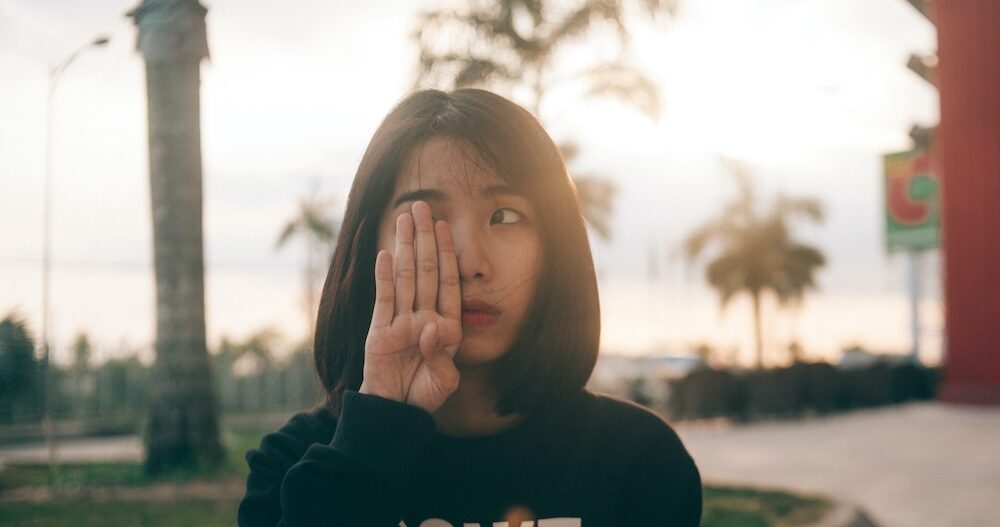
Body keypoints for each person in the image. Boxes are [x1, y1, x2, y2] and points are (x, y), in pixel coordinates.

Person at [238, 88, 702, 527]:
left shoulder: (637, 459)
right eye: (426, 219)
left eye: (506, 216)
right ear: (368, 249)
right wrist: (375, 432)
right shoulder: (294, 463)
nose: (470, 263)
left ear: (554, 249)